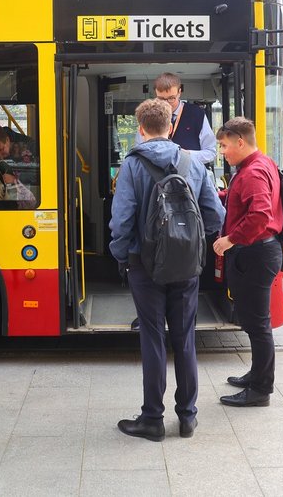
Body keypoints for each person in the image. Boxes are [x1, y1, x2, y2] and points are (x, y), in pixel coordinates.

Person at [110, 99, 224, 441]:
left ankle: (152, 419)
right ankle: (187, 417)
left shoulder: (132, 165)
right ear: (171, 126)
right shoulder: (193, 163)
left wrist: (121, 256)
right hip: (187, 265)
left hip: (144, 265)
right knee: (185, 338)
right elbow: (215, 215)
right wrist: (190, 242)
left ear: (140, 129)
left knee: (153, 337)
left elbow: (122, 220)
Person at [131, 72, 217, 330]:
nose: (166, 103)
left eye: (170, 98)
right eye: (161, 98)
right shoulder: (149, 115)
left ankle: (171, 319)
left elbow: (211, 152)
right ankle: (151, 317)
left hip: (186, 193)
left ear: (180, 91)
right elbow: (139, 150)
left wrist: (183, 155)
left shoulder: (197, 116)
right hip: (155, 194)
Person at [212, 117, 283, 408]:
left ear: (240, 142)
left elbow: (260, 214)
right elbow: (243, 200)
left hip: (255, 253)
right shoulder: (261, 163)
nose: (222, 152)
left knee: (258, 324)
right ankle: (256, 374)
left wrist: (230, 239)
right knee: (255, 323)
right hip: (259, 252)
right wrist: (218, 195)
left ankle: (260, 390)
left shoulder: (252, 172)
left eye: (224, 145)